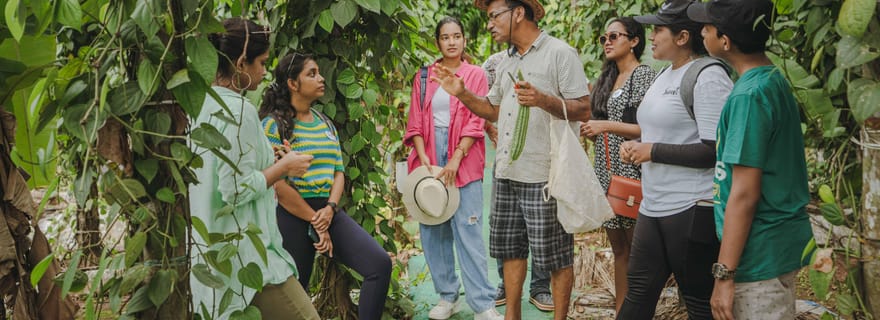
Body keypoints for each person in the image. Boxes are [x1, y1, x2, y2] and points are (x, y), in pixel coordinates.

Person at [433, 1, 592, 319]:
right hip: (506, 172)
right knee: (510, 250)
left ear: (518, 13)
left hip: (545, 175)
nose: (489, 24)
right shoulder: (504, 62)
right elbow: (492, 109)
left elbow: (584, 108)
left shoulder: (559, 53)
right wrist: (462, 93)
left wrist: (543, 100)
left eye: (494, 16)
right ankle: (512, 315)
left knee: (556, 256)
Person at [687, 1, 814, 319]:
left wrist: (724, 275)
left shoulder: (748, 97)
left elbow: (744, 193)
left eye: (708, 27)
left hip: (757, 257)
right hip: (773, 246)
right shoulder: (771, 78)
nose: (701, 31)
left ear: (725, 41)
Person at [190, 18, 319, 320]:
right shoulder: (240, 109)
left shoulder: (200, 104)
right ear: (239, 63)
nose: (263, 72)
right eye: (260, 63)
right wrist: (284, 166)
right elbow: (233, 190)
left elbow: (222, 168)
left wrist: (268, 158)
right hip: (245, 255)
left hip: (211, 254)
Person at [616, 0, 733, 318]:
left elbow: (715, 150)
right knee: (637, 294)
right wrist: (638, 145)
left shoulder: (708, 77)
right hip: (654, 206)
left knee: (697, 301)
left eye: (658, 29)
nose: (650, 36)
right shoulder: (665, 73)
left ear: (683, 37)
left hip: (692, 208)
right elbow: (665, 132)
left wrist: (652, 151)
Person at [259, 52, 392, 320]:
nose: (321, 79)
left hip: (328, 210)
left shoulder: (324, 123)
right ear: (292, 83)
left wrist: (330, 209)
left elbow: (338, 172)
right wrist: (314, 220)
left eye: (319, 72)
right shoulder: (273, 125)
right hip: (292, 214)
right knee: (297, 292)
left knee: (379, 264)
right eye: (312, 74)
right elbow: (278, 185)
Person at [403, 17, 503, 320]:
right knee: (433, 229)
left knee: (469, 229)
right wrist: (425, 163)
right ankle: (448, 296)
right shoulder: (424, 77)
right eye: (445, 37)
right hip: (429, 154)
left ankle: (482, 304)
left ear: (463, 40)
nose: (451, 42)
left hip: (465, 156)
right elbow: (416, 121)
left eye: (457, 36)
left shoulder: (475, 75)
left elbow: (476, 121)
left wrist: (456, 159)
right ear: (437, 42)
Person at [579, 17, 655, 312]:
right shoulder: (606, 79)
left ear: (634, 41)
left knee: (638, 250)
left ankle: (639, 309)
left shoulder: (643, 76)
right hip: (606, 172)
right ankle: (623, 311)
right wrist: (593, 129)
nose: (607, 42)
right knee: (619, 249)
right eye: (604, 38)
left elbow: (649, 129)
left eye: (614, 36)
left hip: (633, 171)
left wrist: (604, 126)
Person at [482, 49, 553, 312]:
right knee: (505, 225)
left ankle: (540, 286)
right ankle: (505, 283)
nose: (492, 24)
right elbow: (486, 105)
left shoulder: (550, 57)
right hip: (506, 156)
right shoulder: (494, 63)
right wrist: (490, 128)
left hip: (538, 155)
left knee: (542, 225)